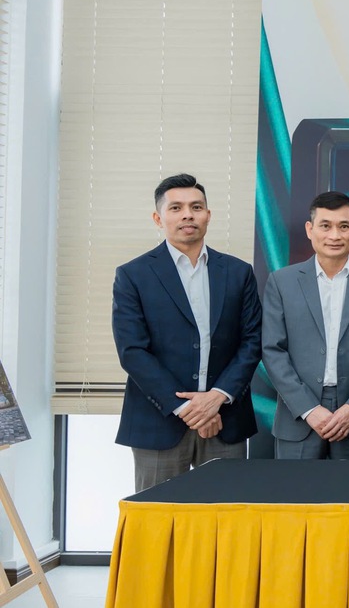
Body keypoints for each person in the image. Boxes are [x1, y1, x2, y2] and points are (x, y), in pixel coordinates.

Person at [112, 174, 261, 491]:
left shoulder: (238, 272)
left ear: (208, 215)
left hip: (225, 420)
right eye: (176, 208)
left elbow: (252, 342)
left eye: (196, 207)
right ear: (158, 218)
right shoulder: (133, 275)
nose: (187, 215)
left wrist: (217, 398)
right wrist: (190, 409)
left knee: (227, 514)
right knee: (159, 515)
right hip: (159, 421)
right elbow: (132, 351)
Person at [261, 191, 349, 460]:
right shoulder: (282, 282)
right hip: (298, 414)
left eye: (344, 226)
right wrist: (309, 409)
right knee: (295, 489)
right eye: (325, 226)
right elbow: (272, 350)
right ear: (310, 229)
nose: (334, 235)